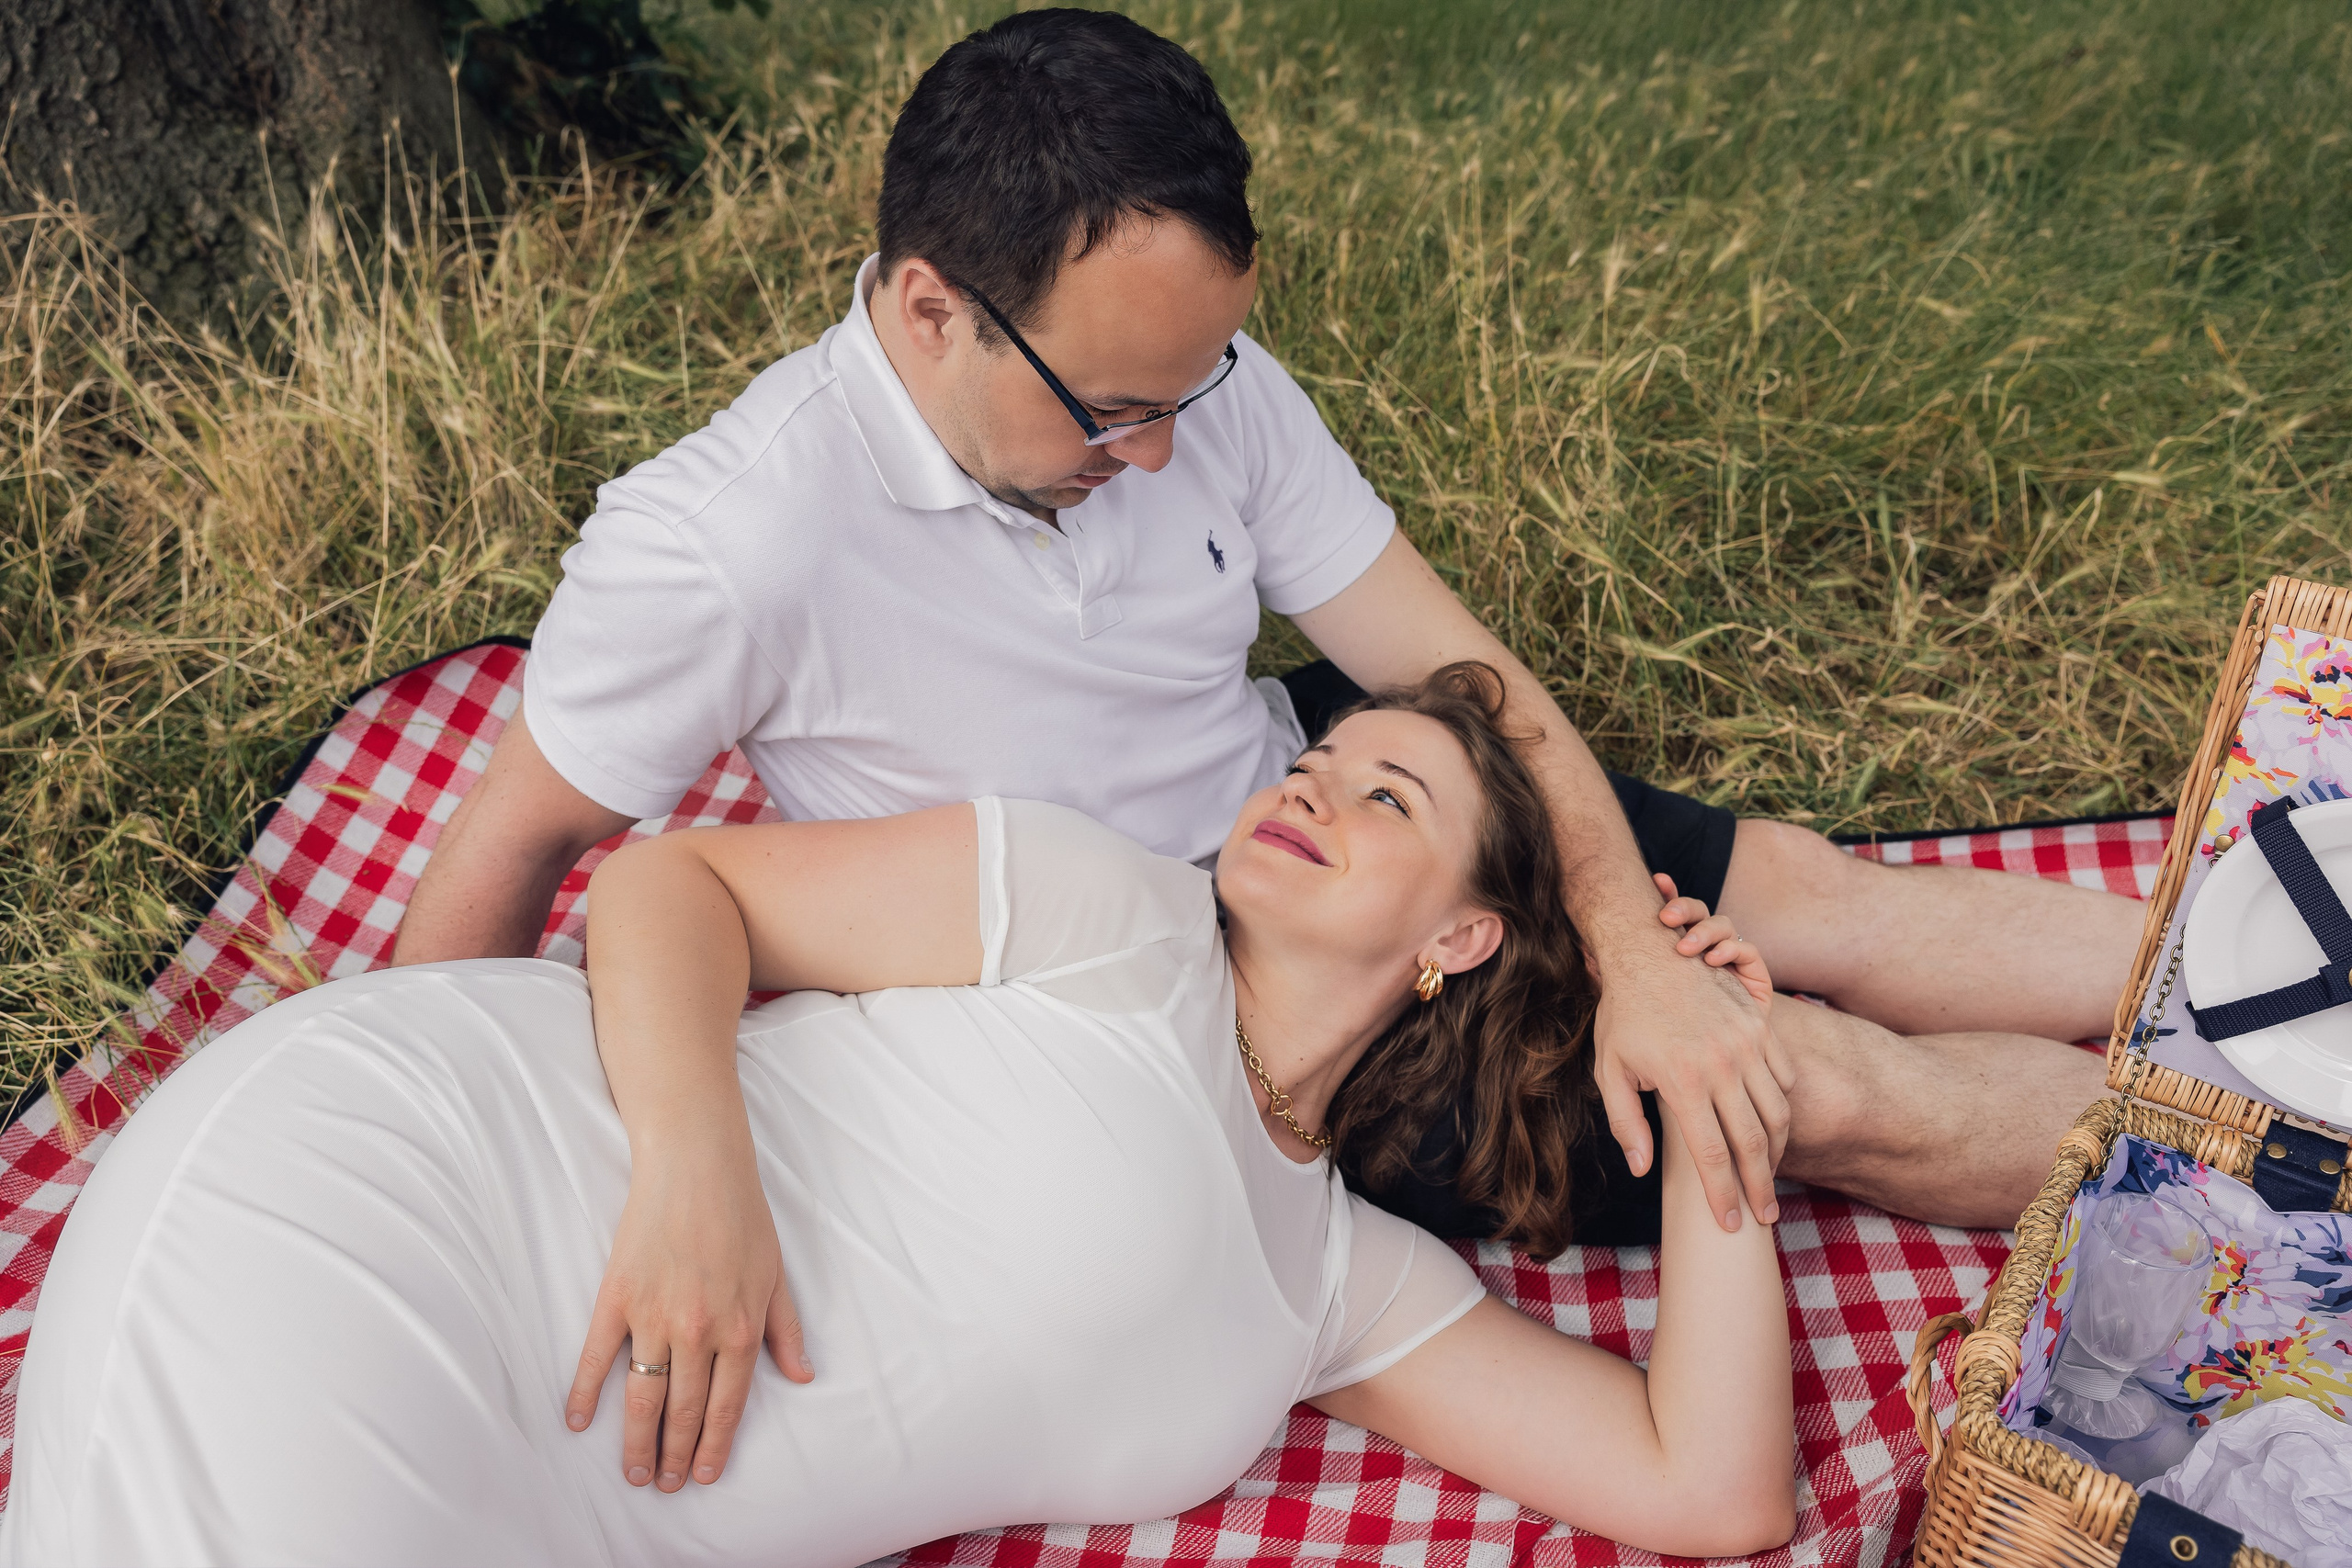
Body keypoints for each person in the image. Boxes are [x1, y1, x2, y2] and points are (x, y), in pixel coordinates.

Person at [390, 7, 2122, 1242]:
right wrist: (422, 1169)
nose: (1161, 446)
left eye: (1190, 384)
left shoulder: (1195, 387)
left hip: (1324, 789)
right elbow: (518, 843)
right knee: (1799, 1082)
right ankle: (2261, 1172)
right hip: (1215, 1003)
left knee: (1810, 898)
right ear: (932, 310)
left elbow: (1466, 683)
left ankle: (2266, 992)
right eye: (1112, 408)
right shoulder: (725, 541)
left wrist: (1638, 949)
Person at [3, 666, 1795, 1566]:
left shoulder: (1334, 1279)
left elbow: (1702, 1483)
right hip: (412, 1195)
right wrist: (700, 1177)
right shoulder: (1108, 911)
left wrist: (1716, 1070)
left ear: (1460, 934)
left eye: (1381, 791)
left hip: (549, 1498)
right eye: (1311, 758)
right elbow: (667, 887)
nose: (1308, 783)